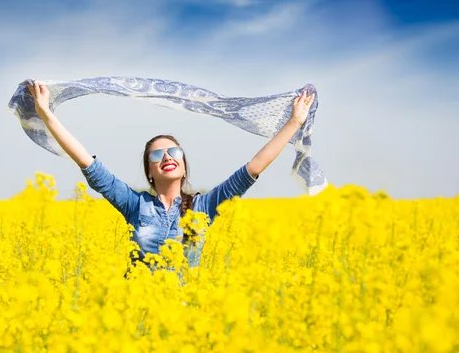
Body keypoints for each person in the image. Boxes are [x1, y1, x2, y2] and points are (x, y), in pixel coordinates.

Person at [25, 79, 315, 269]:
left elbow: (252, 169)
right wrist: (46, 114)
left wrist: (294, 122)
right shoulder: (134, 204)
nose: (167, 157)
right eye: (157, 155)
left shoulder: (203, 208)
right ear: (150, 172)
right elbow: (88, 164)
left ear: (184, 165)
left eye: (174, 152)